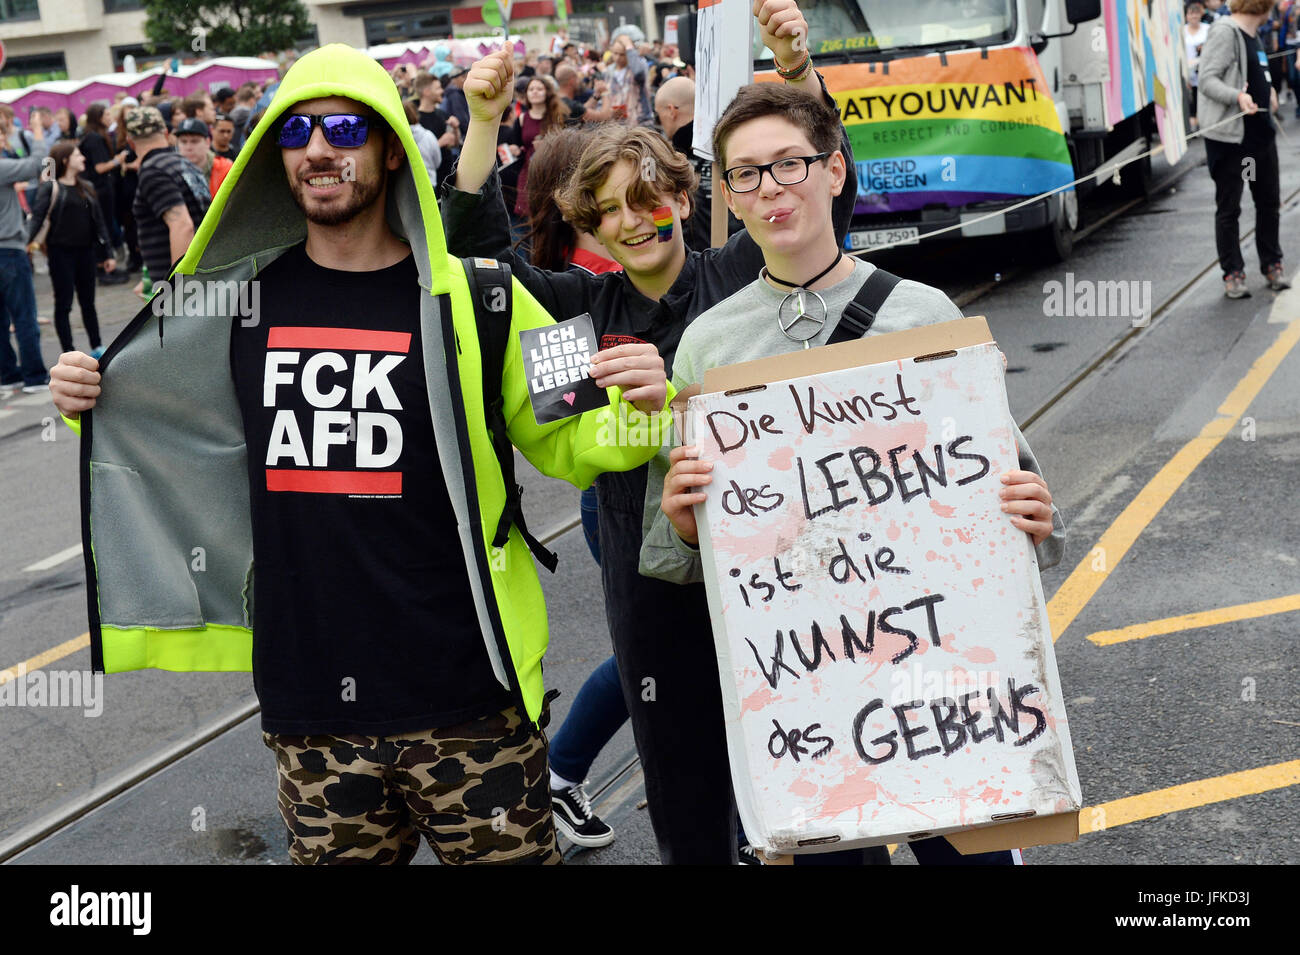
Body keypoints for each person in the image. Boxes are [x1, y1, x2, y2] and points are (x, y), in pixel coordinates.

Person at [48, 41, 672, 866]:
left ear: (387, 147)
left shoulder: (484, 294)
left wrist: (646, 409)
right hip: (312, 714)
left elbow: (575, 434)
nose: (318, 149)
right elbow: (154, 421)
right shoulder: (229, 302)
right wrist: (82, 400)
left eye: (344, 127)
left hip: (471, 703)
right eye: (295, 132)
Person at [443, 0, 859, 864]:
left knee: (804, 766)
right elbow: (476, 259)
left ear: (680, 191)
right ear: (587, 229)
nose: (631, 223)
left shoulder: (743, 269)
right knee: (682, 778)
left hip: (782, 560)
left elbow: (826, 201)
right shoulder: (572, 311)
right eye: (605, 214)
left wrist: (793, 68)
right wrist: (482, 125)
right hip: (650, 574)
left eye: (645, 200)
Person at [640, 80, 1065, 866]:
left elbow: (1022, 499)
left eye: (789, 164)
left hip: (945, 675)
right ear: (728, 195)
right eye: (745, 174)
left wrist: (1031, 513)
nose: (769, 189)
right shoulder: (706, 346)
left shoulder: (926, 313)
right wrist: (683, 517)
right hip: (809, 693)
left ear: (835, 171)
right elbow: (679, 553)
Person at [1197, 0, 1289, 298]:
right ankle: (1233, 273)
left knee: (1268, 202)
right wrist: (1237, 96)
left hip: (1260, 138)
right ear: (1262, 6)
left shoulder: (1254, 35)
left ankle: (1272, 263)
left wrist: (1270, 89)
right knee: (1230, 207)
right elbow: (1207, 79)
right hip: (1232, 141)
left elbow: (1256, 72)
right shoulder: (1225, 32)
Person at [25, 142, 115, 359]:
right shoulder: (51, 187)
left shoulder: (86, 186)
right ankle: (68, 350)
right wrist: (25, 244)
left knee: (88, 302)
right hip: (60, 253)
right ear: (65, 160)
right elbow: (38, 217)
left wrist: (108, 253)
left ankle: (97, 345)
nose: (83, 158)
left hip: (86, 252)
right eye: (78, 155)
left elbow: (100, 223)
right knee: (64, 303)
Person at [655, 76, 744, 251]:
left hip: (704, 262)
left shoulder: (669, 158)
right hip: (740, 256)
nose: (660, 124)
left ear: (671, 111)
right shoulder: (731, 141)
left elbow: (662, 216)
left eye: (658, 116)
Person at [125, 105, 204, 293]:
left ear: (130, 142)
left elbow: (182, 226)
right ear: (166, 132)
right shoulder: (185, 164)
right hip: (206, 275)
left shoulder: (153, 171)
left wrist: (176, 288)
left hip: (187, 288)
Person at [0, 106, 48, 396]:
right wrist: (38, 132)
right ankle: (34, 376)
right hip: (9, 250)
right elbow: (39, 164)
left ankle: (7, 375)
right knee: (24, 316)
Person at [78, 103, 130, 285]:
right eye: (107, 115)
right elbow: (100, 167)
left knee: (105, 227)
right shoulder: (94, 139)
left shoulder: (96, 136)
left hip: (101, 188)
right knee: (103, 228)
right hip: (99, 189)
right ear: (98, 117)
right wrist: (118, 159)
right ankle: (105, 267)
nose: (110, 118)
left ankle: (106, 265)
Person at [510, 75, 568, 219]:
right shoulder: (522, 118)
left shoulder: (558, 116)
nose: (535, 92)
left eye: (539, 89)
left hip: (553, 172)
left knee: (552, 215)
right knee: (530, 217)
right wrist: (515, 149)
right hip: (529, 173)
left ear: (547, 92)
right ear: (527, 94)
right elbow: (517, 144)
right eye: (531, 89)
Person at [176, 117, 234, 198]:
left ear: (207, 142)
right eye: (183, 142)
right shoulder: (171, 171)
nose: (188, 147)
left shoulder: (227, 170)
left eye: (194, 141)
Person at [1185, 1, 1212, 129]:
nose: (1194, 17)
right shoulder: (1182, 31)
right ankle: (1193, 122)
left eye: (1196, 14)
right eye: (1191, 14)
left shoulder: (1207, 29)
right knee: (1192, 99)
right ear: (1186, 16)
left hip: (1205, 68)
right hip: (1189, 70)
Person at [404, 99, 441, 186]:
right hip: (429, 183)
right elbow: (437, 161)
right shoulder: (428, 136)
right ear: (416, 114)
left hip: (407, 187)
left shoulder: (397, 139)